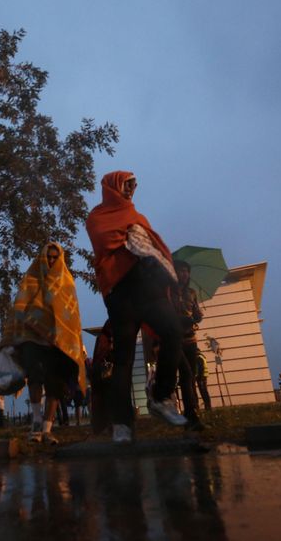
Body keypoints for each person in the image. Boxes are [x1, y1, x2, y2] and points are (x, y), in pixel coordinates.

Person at [86, 171, 189, 443]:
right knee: (124, 359)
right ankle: (122, 424)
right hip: (120, 293)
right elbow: (104, 240)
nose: (131, 190)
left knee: (173, 332)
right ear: (112, 186)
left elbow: (152, 247)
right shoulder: (96, 217)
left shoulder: (137, 217)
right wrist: (130, 239)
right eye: (126, 185)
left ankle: (161, 396)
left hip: (147, 288)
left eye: (134, 185)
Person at [0, 242, 87, 445]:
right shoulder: (30, 279)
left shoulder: (67, 282)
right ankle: (36, 423)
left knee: (55, 385)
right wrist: (12, 339)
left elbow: (71, 315)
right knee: (35, 379)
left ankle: (48, 429)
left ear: (61, 258)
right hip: (32, 339)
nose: (51, 260)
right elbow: (19, 308)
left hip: (57, 342)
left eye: (55, 257)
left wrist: (71, 342)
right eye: (48, 256)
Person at [172, 259, 207, 429]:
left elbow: (196, 312)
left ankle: (190, 413)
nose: (184, 274)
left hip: (191, 340)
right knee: (185, 375)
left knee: (190, 377)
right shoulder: (167, 292)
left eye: (186, 270)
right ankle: (191, 414)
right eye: (180, 270)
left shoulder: (192, 293)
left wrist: (196, 316)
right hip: (174, 341)